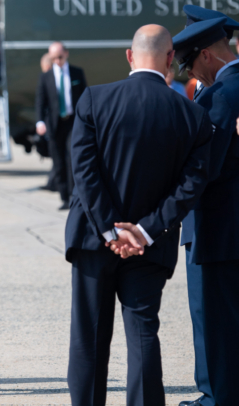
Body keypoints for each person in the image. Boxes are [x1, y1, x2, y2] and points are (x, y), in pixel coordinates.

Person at [65, 24, 212, 406]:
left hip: (93, 241)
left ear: (130, 56)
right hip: (153, 245)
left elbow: (83, 174)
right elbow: (191, 185)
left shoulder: (94, 99)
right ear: (169, 60)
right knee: (144, 335)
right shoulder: (191, 115)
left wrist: (111, 232)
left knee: (90, 337)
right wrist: (145, 232)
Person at [172, 14, 239, 406]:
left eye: (192, 66)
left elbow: (204, 168)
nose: (193, 75)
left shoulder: (219, 96)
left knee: (213, 317)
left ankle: (217, 397)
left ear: (206, 57)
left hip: (216, 228)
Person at [35, 42, 87, 209]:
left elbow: (85, 97)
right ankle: (64, 197)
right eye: (53, 58)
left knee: (72, 157)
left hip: (73, 122)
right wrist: (40, 121)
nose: (57, 60)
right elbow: (40, 101)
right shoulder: (46, 76)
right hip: (55, 124)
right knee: (58, 161)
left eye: (60, 56)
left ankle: (74, 196)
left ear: (66, 54)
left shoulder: (76, 73)